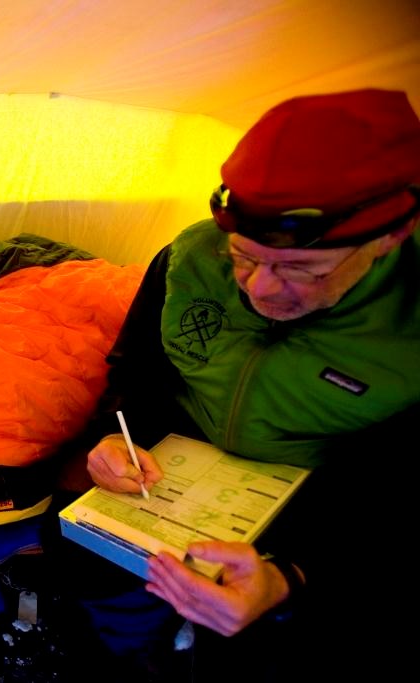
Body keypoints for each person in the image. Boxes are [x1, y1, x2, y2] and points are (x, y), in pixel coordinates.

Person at [51, 88, 420, 680]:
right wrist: (117, 437)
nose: (261, 291)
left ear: (391, 237)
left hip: (328, 494)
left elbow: (399, 484)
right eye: (244, 259)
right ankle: (135, 656)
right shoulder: (190, 257)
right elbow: (139, 370)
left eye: (304, 270)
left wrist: (290, 575)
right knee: (81, 553)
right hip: (177, 461)